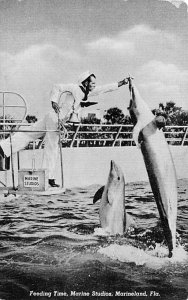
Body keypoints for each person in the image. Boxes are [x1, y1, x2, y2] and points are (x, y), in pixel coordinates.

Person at [0, 71, 128, 187]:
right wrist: (54, 101)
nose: (94, 85)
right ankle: (49, 177)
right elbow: (57, 86)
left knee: (30, 133)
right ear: (85, 82)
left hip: (52, 118)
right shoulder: (74, 88)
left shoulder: (86, 93)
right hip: (55, 119)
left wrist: (122, 83)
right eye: (92, 83)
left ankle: (3, 146)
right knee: (52, 147)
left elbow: (104, 89)